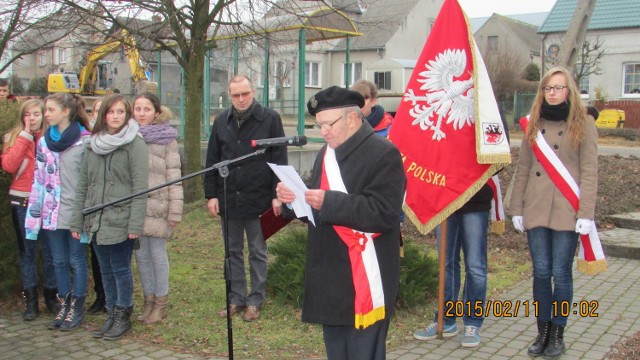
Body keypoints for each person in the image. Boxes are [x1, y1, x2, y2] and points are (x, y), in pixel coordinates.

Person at [275, 86, 406, 359]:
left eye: (328, 124)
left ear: (352, 119)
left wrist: (328, 201)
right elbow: (317, 206)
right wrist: (291, 200)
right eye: (319, 124)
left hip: (365, 278)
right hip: (330, 277)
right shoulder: (328, 153)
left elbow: (385, 212)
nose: (323, 131)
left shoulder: (385, 154)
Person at [509, 67, 598, 358]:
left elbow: (589, 172)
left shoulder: (584, 123)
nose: (553, 92)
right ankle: (542, 332)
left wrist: (586, 213)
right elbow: (523, 169)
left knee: (561, 274)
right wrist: (516, 208)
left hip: (566, 210)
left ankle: (558, 334)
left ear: (569, 90)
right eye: (548, 87)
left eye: (559, 87)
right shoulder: (533, 123)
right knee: (541, 272)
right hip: (536, 209)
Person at [413, 121, 510, 348]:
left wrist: (468, 172)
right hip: (444, 197)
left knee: (475, 265)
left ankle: (473, 322)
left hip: (475, 199)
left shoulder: (486, 105)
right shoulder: (444, 103)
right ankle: (446, 320)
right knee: (446, 263)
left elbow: (499, 153)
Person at [204, 74, 287, 322]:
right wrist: (211, 194)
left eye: (245, 94)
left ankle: (255, 300)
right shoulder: (221, 121)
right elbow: (212, 160)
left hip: (259, 197)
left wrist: (276, 194)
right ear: (229, 96)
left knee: (258, 251)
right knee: (232, 252)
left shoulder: (270, 118)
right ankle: (236, 298)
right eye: (236, 95)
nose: (241, 99)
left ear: (253, 92)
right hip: (229, 197)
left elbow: (279, 158)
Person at [70, 93, 148, 340]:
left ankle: (123, 314)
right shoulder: (93, 143)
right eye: (111, 112)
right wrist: (77, 220)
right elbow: (83, 185)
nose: (115, 117)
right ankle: (111, 311)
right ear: (103, 114)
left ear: (127, 115)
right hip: (96, 219)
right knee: (104, 269)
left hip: (122, 219)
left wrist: (135, 223)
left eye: (120, 112)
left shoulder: (135, 144)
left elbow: (140, 187)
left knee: (120, 268)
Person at [25, 93, 92, 330]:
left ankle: (77, 307)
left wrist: (85, 214)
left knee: (76, 260)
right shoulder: (44, 142)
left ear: (66, 112)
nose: (46, 114)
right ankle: (64, 303)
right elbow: (38, 181)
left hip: (76, 213)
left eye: (50, 110)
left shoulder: (85, 141)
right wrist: (34, 218)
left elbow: (89, 181)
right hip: (51, 214)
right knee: (59, 261)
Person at [2, 99, 58, 320]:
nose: (32, 118)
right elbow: (9, 166)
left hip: (47, 201)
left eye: (36, 114)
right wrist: (25, 137)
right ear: (22, 117)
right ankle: (31, 301)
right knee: (27, 253)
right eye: (28, 114)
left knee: (50, 252)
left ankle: (51, 296)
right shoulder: (14, 138)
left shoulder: (51, 138)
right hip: (22, 201)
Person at [133, 92, 183, 324]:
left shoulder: (166, 139)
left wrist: (174, 211)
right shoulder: (129, 136)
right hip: (136, 208)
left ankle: (160, 304)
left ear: (156, 111)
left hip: (159, 207)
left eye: (147, 109)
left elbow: (174, 176)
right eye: (138, 108)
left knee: (157, 255)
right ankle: (148, 301)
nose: (142, 113)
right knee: (141, 256)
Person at [86, 97, 106, 315]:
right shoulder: (89, 141)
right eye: (99, 111)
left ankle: (113, 301)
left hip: (113, 208)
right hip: (94, 206)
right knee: (96, 255)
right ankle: (99, 295)